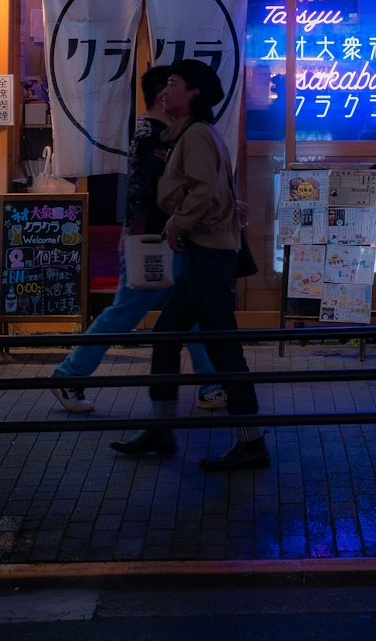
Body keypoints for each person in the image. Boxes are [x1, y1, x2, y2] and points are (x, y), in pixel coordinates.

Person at [111, 59, 268, 472]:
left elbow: (204, 188)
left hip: (206, 255)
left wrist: (177, 227)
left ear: (193, 92)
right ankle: (162, 430)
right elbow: (211, 190)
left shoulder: (196, 134)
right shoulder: (191, 133)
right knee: (166, 337)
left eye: (173, 84)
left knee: (223, 347)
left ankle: (251, 442)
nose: (164, 91)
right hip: (204, 253)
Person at [48, 65, 224, 413]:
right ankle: (69, 375)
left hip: (159, 238)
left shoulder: (161, 133)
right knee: (127, 312)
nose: (171, 91)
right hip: (154, 240)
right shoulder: (153, 136)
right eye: (171, 85)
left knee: (188, 311)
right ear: (164, 96)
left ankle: (212, 384)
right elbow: (175, 190)